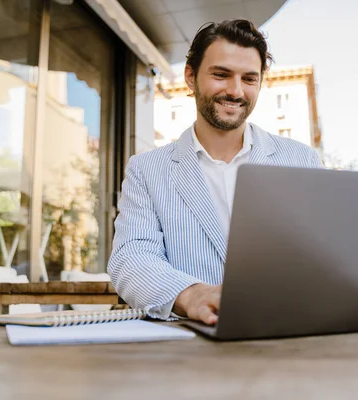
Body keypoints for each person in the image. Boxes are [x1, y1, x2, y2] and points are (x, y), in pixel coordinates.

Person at [108, 19, 322, 325]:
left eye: (249, 79)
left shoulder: (301, 160)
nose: (235, 91)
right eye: (221, 75)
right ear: (190, 77)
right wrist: (190, 295)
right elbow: (131, 259)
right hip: (190, 347)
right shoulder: (146, 170)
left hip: (284, 338)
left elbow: (320, 258)